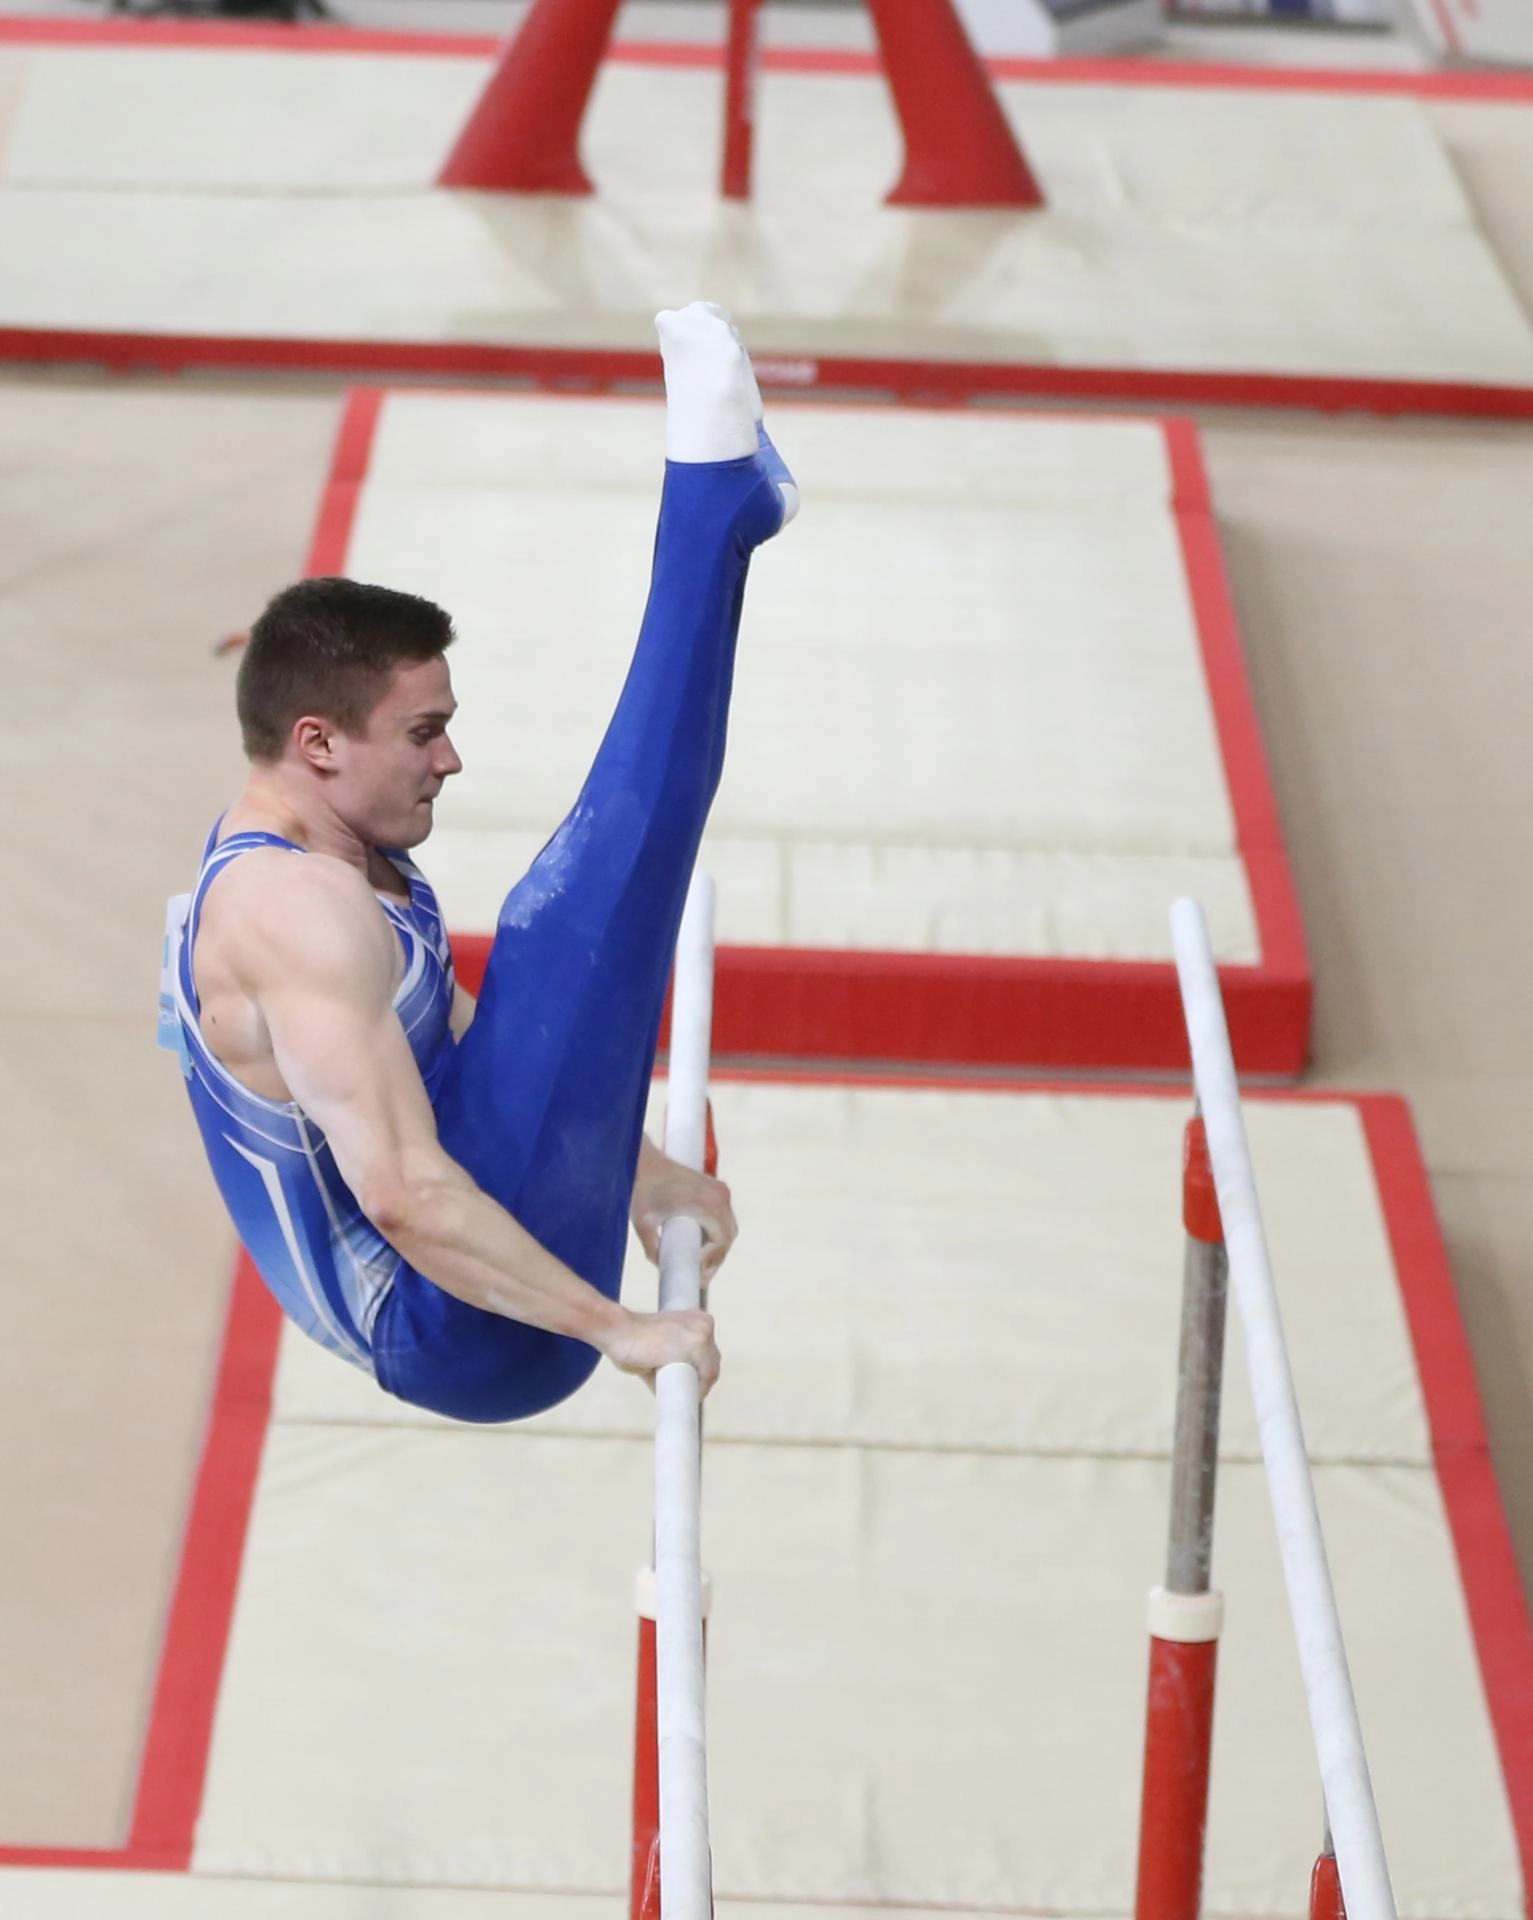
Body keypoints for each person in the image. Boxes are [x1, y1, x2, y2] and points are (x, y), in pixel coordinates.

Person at [159, 302, 796, 1423]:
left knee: (563, 942)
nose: (450, 759)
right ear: (317, 742)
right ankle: (713, 501)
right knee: (580, 908)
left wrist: (647, 1178)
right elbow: (403, 1198)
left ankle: (723, 509)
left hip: (472, 1228)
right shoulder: (291, 912)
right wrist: (619, 1329)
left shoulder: (331, 844)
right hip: (457, 1332)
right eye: (423, 733)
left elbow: (461, 1034)